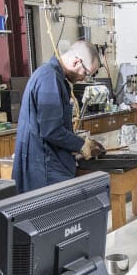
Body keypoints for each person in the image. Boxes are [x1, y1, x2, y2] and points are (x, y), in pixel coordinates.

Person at [11, 40, 106, 193]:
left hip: (47, 165)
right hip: (44, 171)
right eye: (86, 73)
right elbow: (51, 130)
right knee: (54, 215)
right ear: (76, 62)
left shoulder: (55, 77)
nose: (84, 79)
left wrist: (77, 143)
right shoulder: (49, 79)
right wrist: (81, 145)